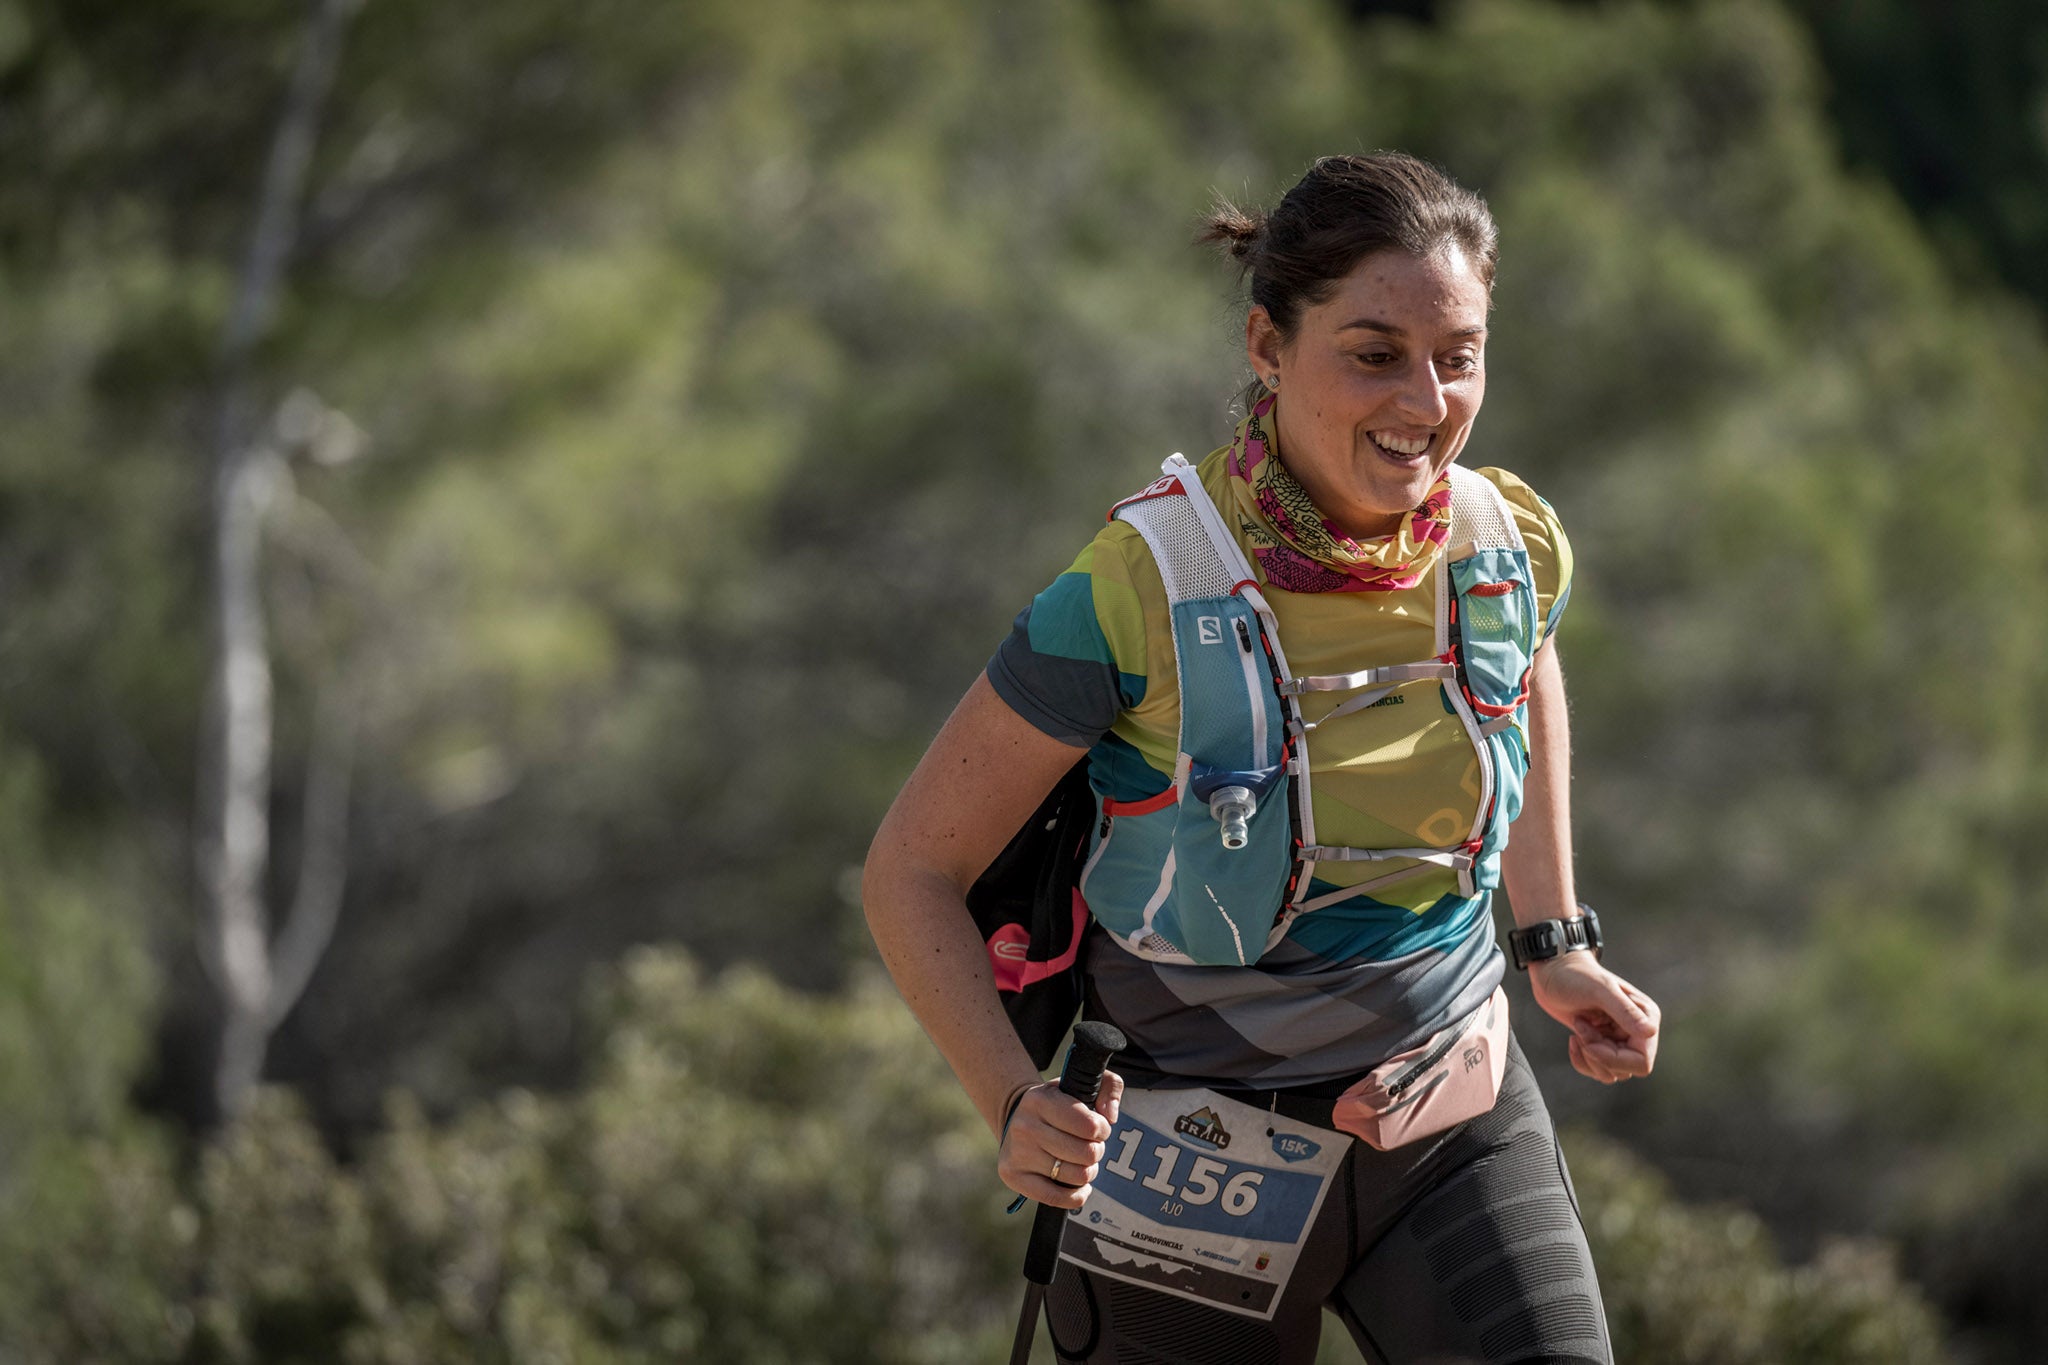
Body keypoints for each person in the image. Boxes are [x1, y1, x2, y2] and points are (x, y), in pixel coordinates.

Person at [863, 152, 1660, 1365]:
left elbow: (1519, 672)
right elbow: (910, 869)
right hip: (1181, 1160)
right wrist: (1014, 1102)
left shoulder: (1504, 540)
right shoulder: (1136, 586)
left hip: (1449, 1118)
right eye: (1373, 351)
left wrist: (1551, 938)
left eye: (1459, 354)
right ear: (1265, 346)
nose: (1425, 401)